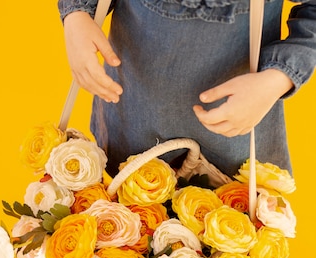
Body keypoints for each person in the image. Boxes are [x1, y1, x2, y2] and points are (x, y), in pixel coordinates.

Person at [58, 0, 316, 177]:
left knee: (225, 249)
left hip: (236, 136)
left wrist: (277, 78)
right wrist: (77, 15)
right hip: (130, 120)